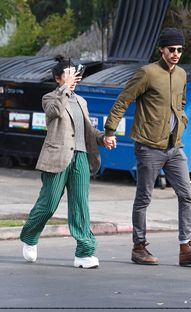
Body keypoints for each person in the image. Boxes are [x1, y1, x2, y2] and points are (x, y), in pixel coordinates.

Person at [104, 28, 191, 266]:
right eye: (171, 49)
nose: (176, 54)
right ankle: (139, 247)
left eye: (179, 50)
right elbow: (123, 100)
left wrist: (181, 121)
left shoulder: (182, 74)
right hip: (149, 147)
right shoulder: (147, 73)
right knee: (144, 198)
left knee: (187, 195)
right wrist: (110, 131)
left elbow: (181, 102)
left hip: (174, 147)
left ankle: (186, 248)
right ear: (162, 50)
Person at [20, 55, 113, 269]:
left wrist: (103, 138)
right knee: (49, 203)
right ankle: (30, 235)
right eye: (69, 74)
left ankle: (84, 252)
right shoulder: (50, 97)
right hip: (57, 157)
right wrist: (65, 90)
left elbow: (87, 130)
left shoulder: (81, 101)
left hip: (80, 157)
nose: (74, 78)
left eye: (75, 74)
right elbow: (55, 112)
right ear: (58, 78)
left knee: (80, 205)